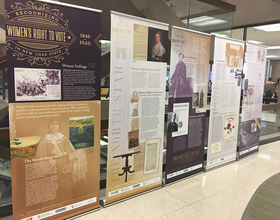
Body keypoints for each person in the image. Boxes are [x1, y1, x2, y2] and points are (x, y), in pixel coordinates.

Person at [35, 119, 87, 200]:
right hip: (52, 164)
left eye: (56, 124)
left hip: (63, 162)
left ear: (59, 126)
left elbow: (70, 150)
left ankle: (66, 200)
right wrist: (49, 159)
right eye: (52, 124)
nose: (54, 126)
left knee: (65, 183)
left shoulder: (63, 137)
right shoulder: (45, 139)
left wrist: (62, 154)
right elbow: (41, 154)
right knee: (53, 184)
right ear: (49, 126)